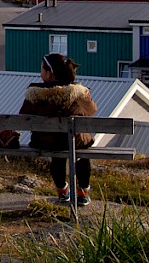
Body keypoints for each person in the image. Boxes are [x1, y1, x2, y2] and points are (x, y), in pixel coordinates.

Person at [19, 53, 97, 205]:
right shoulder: (78, 94)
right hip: (74, 142)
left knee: (57, 152)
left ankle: (62, 191)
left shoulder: (34, 94)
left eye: (41, 69)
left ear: (49, 74)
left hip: (44, 141)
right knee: (81, 151)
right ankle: (82, 192)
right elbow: (92, 110)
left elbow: (24, 117)